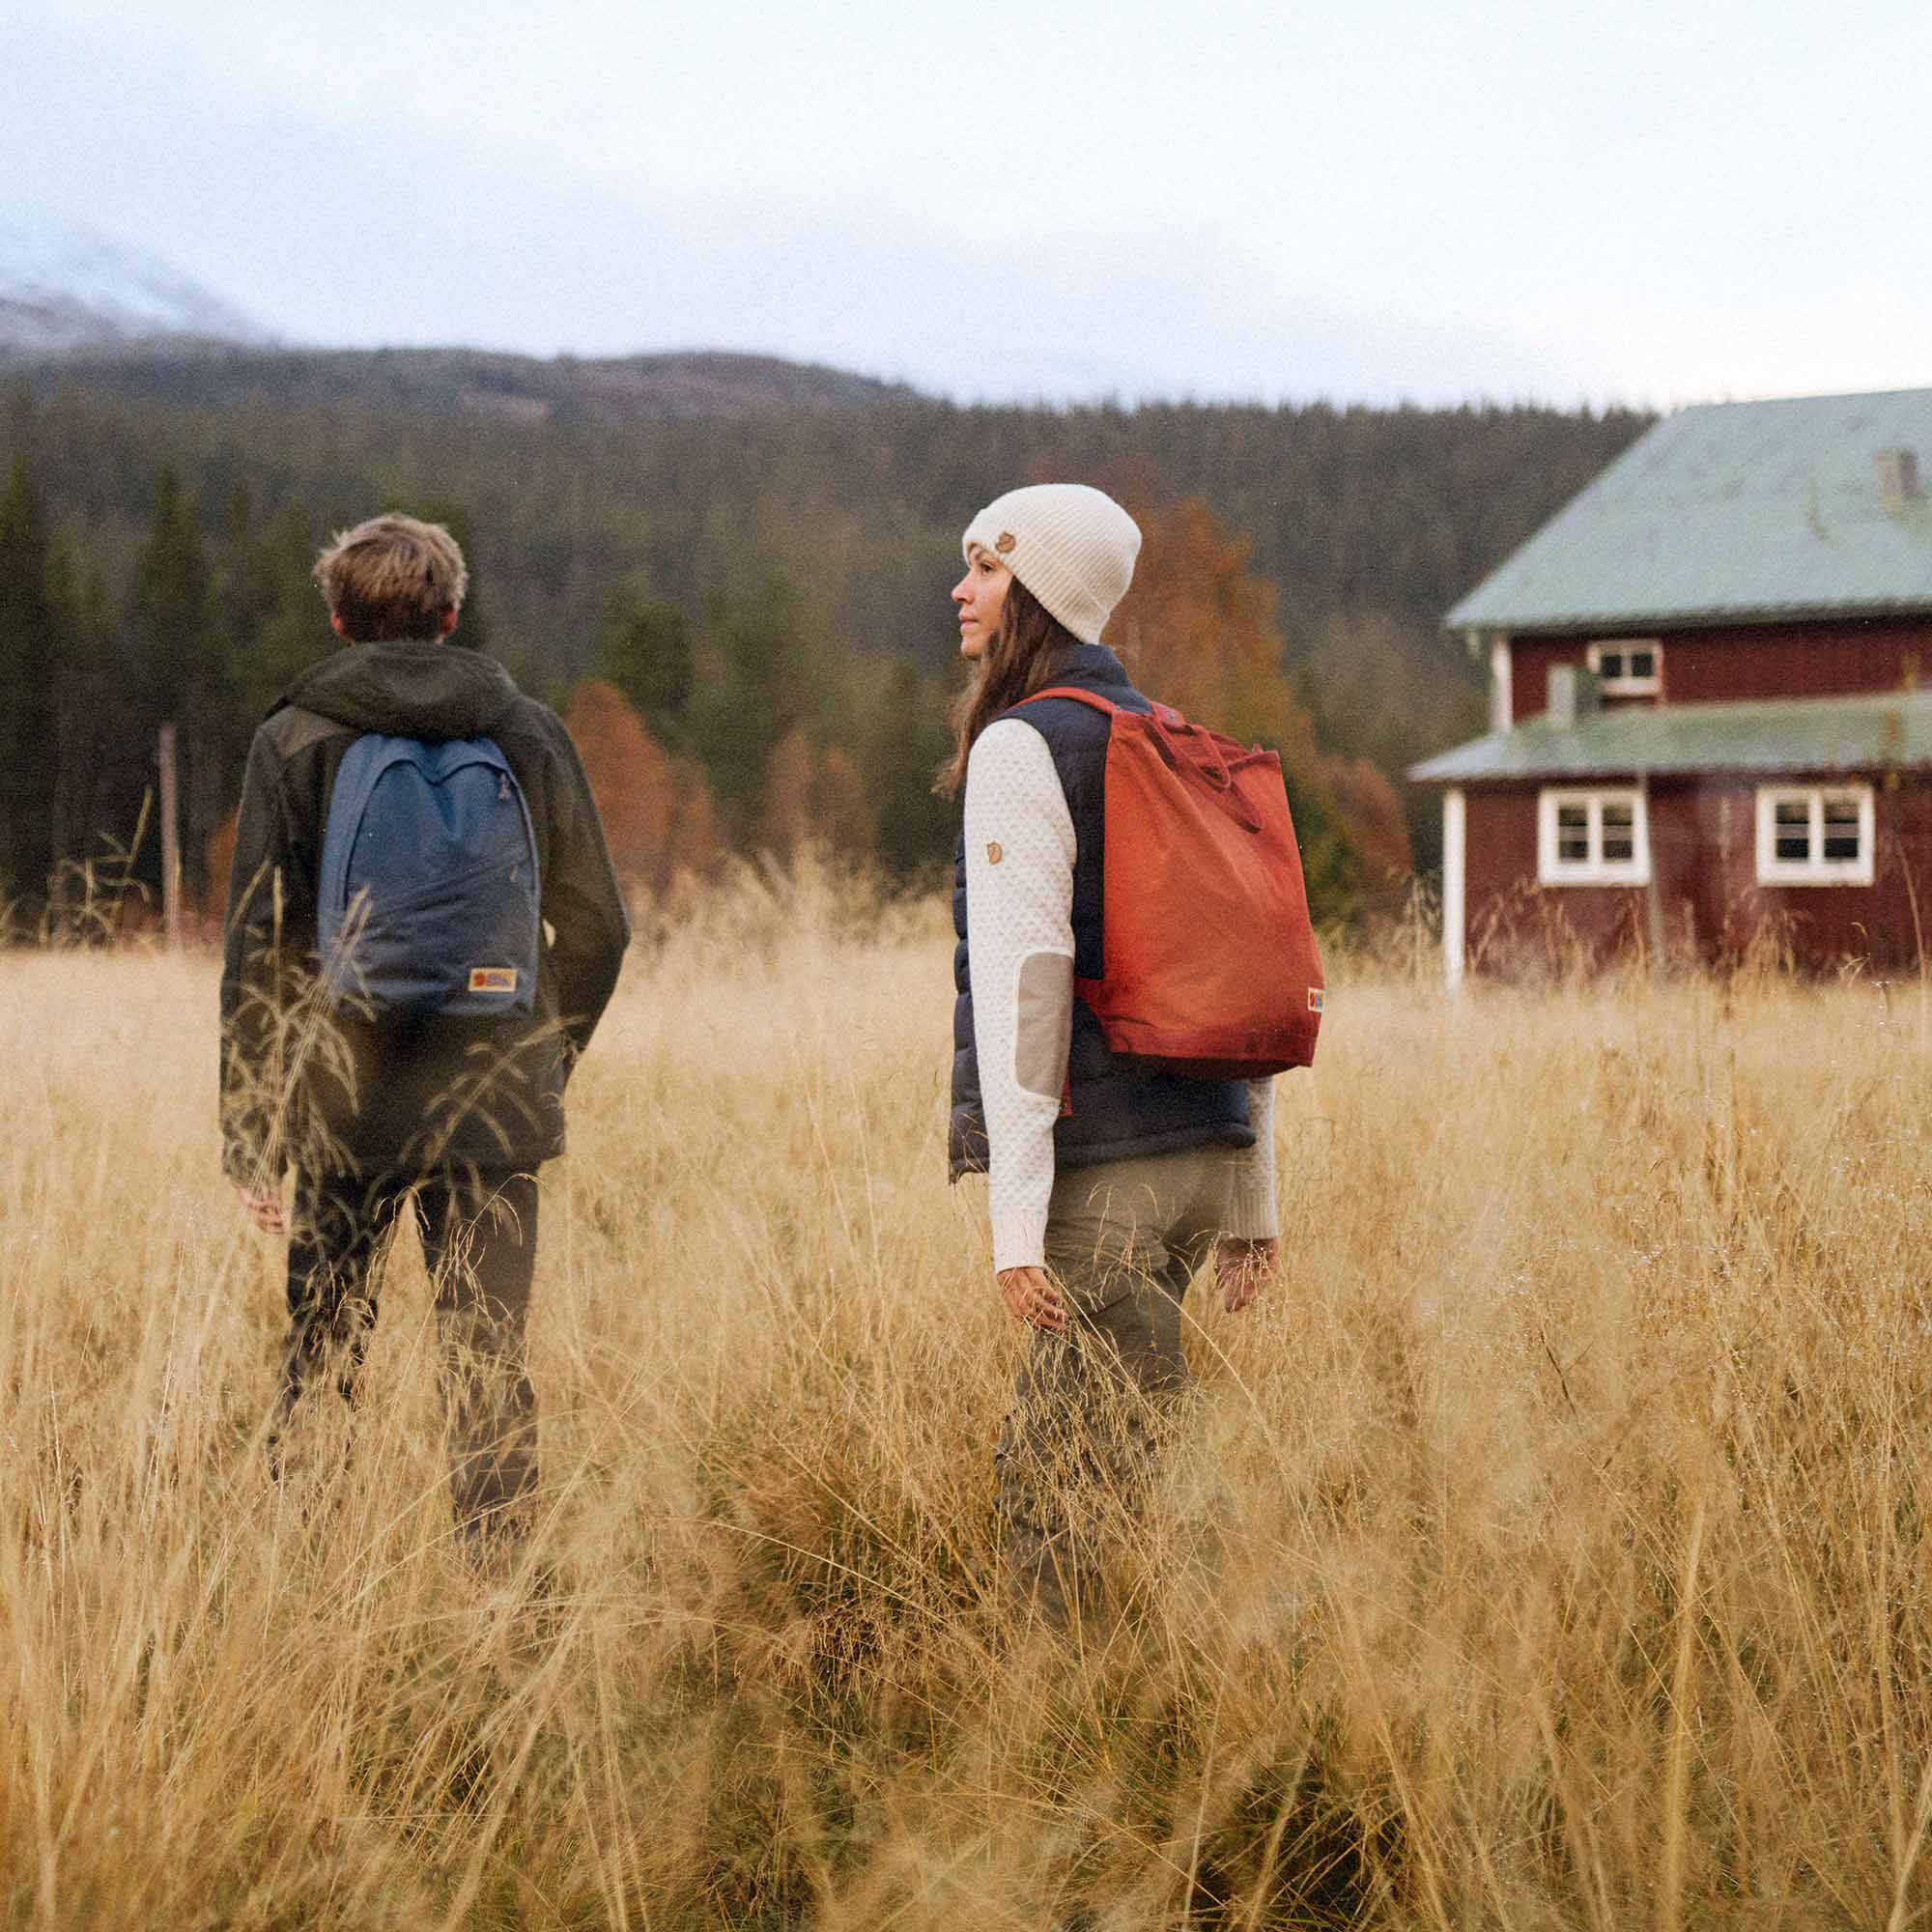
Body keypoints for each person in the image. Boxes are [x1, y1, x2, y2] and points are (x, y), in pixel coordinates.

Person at [218, 512, 628, 1554]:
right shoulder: (525, 728)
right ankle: (501, 1611)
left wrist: (255, 1131)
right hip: (490, 1103)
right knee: (486, 1367)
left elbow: (258, 947)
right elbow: (597, 927)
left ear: (338, 616)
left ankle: (306, 1597)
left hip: (339, 1102)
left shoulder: (296, 737)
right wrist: (545, 1060)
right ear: (451, 614)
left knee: (320, 1360)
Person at [944, 483, 1281, 1625]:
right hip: (1197, 1157)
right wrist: (1250, 1190)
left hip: (1108, 1181)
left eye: (985, 568)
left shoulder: (1019, 748)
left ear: (1037, 590)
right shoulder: (1169, 736)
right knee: (1128, 1446)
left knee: (1054, 1489)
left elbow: (1024, 989)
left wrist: (1012, 1221)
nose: (961, 588)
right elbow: (1243, 978)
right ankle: (1202, 1680)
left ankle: (1093, 1724)